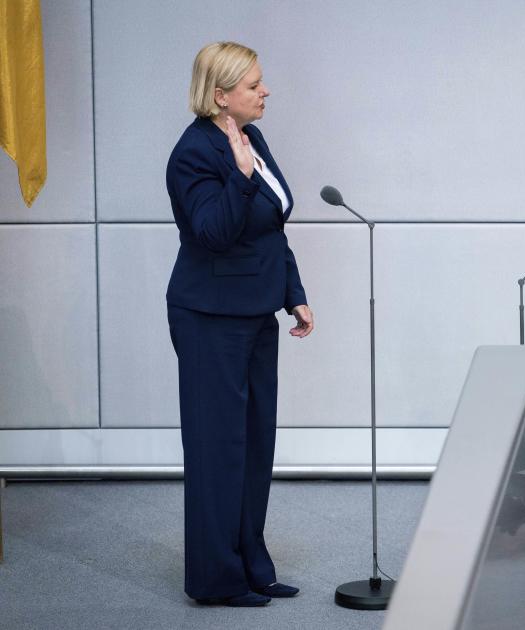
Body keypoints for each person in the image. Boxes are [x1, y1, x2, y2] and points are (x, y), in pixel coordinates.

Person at [166, 42, 314, 607]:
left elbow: (269, 228)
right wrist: (243, 176)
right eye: (254, 84)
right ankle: (215, 578)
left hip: (255, 314)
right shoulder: (194, 153)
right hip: (209, 320)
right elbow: (213, 233)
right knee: (217, 449)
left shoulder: (251, 138)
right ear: (220, 95)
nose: (266, 90)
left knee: (254, 447)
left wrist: (293, 294)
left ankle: (252, 563)